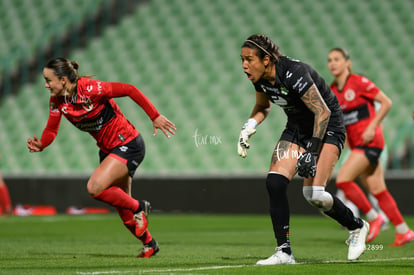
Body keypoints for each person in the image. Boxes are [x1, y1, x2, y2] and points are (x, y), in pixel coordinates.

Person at [238, 34, 369, 265]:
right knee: (275, 182)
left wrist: (312, 151)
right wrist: (249, 126)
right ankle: (284, 252)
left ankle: (357, 226)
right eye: (242, 60)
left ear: (266, 59)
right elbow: (262, 105)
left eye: (249, 59)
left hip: (328, 126)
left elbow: (323, 112)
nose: (244, 65)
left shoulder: (293, 72)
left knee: (314, 195)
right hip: (297, 128)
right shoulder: (258, 78)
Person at [27, 57, 176, 257]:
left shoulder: (89, 89)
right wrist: (42, 144)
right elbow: (51, 129)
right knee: (123, 209)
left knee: (95, 187)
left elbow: (130, 89)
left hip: (128, 143)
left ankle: (141, 207)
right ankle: (150, 244)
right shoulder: (57, 101)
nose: (46, 85)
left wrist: (154, 115)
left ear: (63, 80)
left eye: (48, 80)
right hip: (108, 150)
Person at [328, 48, 414, 246]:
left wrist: (372, 126)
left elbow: (386, 102)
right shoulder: (333, 91)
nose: (332, 63)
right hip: (358, 145)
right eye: (330, 60)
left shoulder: (358, 82)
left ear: (347, 62)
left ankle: (375, 218)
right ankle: (403, 231)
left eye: (337, 59)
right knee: (378, 190)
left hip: (371, 142)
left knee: (343, 181)